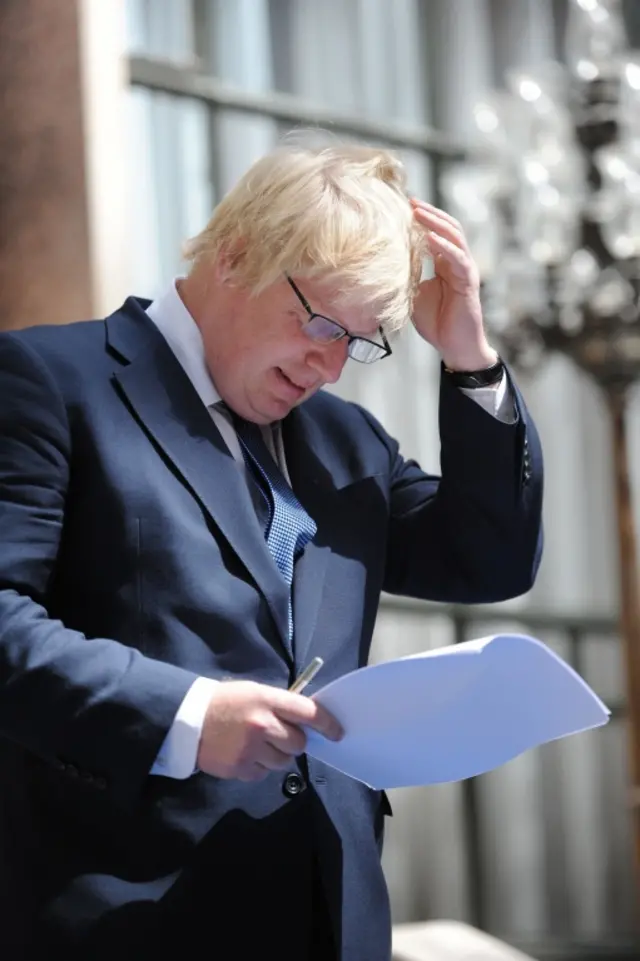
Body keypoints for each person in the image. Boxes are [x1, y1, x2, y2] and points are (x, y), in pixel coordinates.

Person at [0, 139, 543, 961]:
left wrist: (470, 360)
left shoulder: (347, 441)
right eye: (321, 323)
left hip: (331, 912)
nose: (328, 367)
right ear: (237, 252)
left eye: (357, 343)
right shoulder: (49, 380)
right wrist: (184, 716)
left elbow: (489, 560)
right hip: (124, 914)